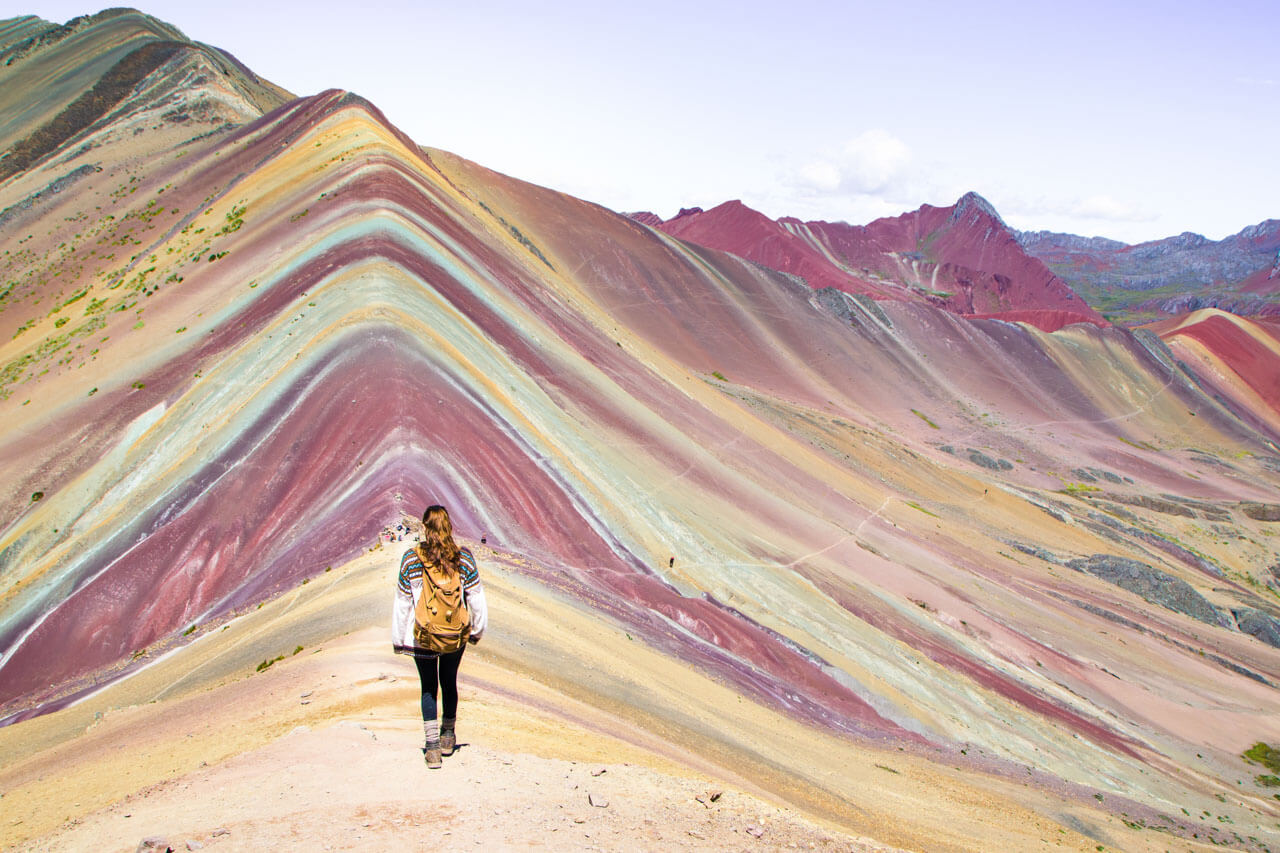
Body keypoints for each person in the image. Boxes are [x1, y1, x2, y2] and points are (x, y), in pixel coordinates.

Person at [391, 504, 488, 769]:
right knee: (449, 681)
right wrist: (477, 630)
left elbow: (402, 602)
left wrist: (399, 639)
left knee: (428, 687)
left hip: (422, 635)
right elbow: (476, 598)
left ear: (424, 527)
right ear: (449, 527)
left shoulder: (411, 559)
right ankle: (448, 736)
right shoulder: (463, 558)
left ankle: (432, 750)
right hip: (454, 636)